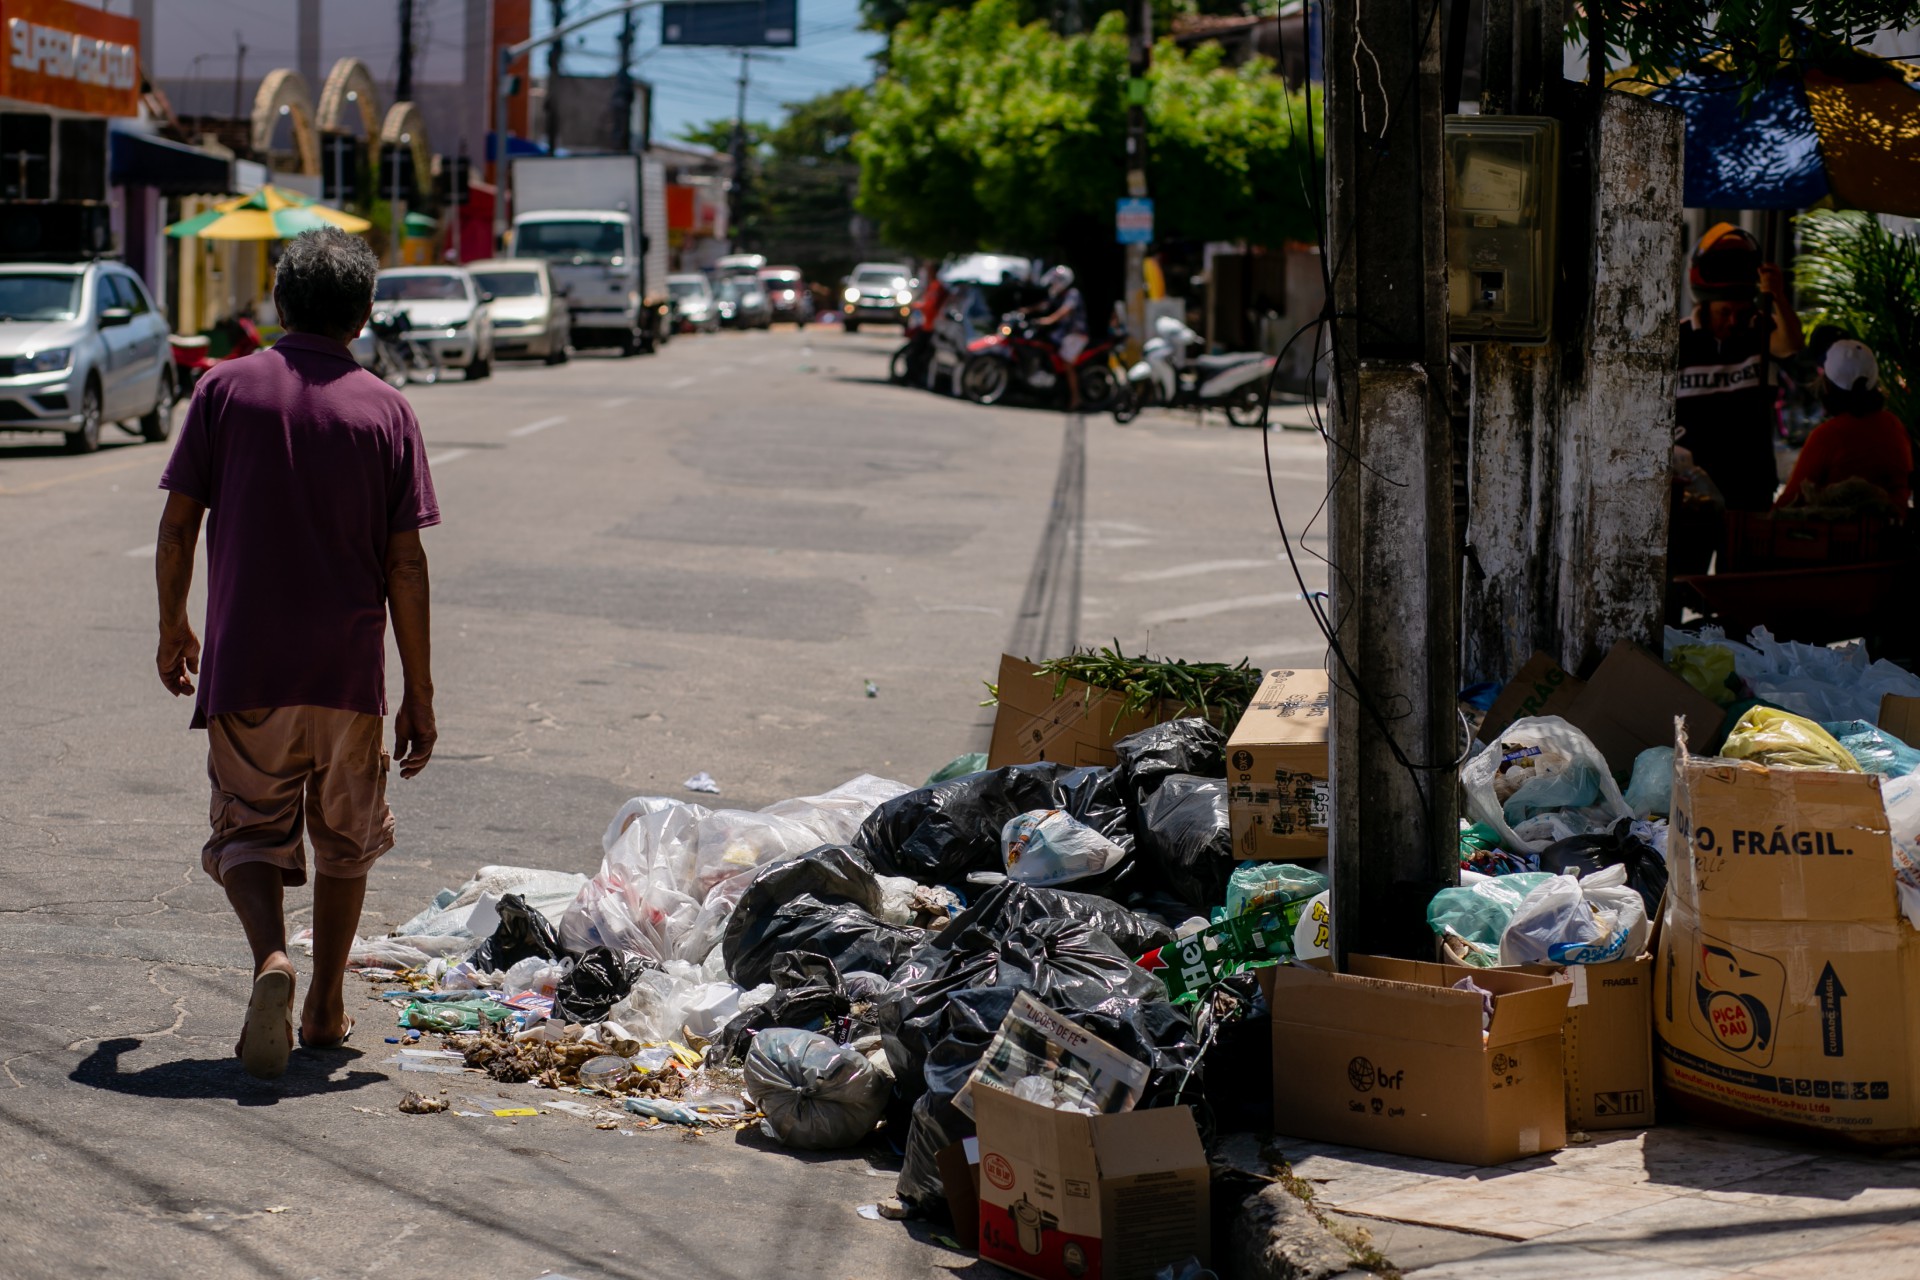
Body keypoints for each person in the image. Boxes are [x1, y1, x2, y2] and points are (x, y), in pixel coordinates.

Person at [152, 227, 440, 1080]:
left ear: (279, 304)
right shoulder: (387, 410)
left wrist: (173, 625)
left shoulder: (223, 392)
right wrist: (418, 693)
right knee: (345, 841)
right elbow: (406, 564)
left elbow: (177, 525)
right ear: (365, 315)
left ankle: (269, 960)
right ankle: (323, 1004)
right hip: (349, 678)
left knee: (248, 828)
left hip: (248, 669)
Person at [1675, 223, 1805, 511]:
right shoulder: (1677, 341)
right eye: (1725, 312)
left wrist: (1779, 296)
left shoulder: (1760, 330)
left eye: (1741, 311)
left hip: (1751, 485)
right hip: (1692, 492)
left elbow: (1792, 344)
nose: (1734, 320)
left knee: (1744, 559)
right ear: (1705, 306)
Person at [1776, 338, 1912, 512]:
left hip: (1841, 534)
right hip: (1893, 531)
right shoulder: (1893, 425)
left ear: (1828, 384)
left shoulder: (1828, 435)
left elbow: (1789, 501)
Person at [1028, 264, 1089, 410]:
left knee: (1067, 364)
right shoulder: (1058, 295)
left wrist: (1049, 320)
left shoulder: (1072, 294)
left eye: (1056, 281)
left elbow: (1065, 311)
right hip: (1062, 334)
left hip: (1076, 334)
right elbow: (1044, 305)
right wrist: (1026, 310)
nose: (1054, 284)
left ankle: (1076, 399)